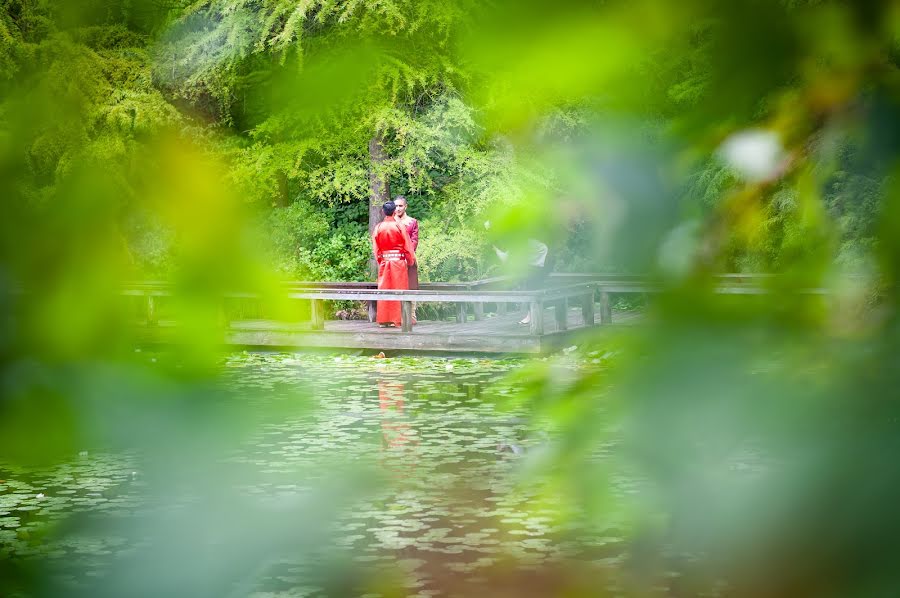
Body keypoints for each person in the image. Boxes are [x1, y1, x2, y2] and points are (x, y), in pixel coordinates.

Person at [372, 201, 417, 327]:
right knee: (399, 289)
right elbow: (408, 246)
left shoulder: (378, 227)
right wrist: (410, 260)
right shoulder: (399, 226)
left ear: (383, 211)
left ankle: (384, 319)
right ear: (394, 211)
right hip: (399, 262)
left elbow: (376, 249)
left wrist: (381, 260)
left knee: (385, 289)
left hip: (385, 262)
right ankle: (398, 319)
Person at [394, 195, 419, 322]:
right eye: (396, 206)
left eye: (400, 206)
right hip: (394, 260)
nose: (398, 208)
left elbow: (414, 241)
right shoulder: (390, 222)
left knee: (411, 286)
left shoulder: (412, 222)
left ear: (405, 206)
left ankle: (411, 315)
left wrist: (407, 255)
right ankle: (396, 317)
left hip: (408, 259)